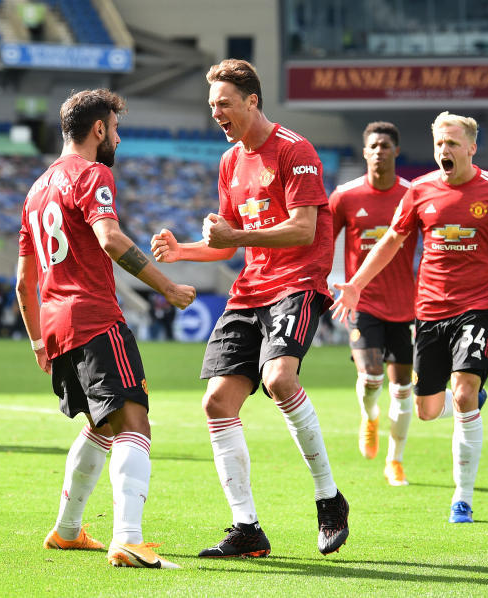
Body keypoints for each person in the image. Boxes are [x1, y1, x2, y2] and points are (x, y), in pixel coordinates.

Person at [151, 59, 349, 557]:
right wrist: (184, 252)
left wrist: (234, 236)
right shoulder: (229, 161)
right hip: (251, 289)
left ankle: (329, 498)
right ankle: (247, 528)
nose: (216, 112)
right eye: (212, 105)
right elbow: (225, 243)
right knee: (216, 402)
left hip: (297, 284)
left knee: (281, 379)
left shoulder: (294, 149)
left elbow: (304, 229)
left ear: (252, 101)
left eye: (225, 104)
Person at [15, 88, 195, 569]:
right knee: (135, 421)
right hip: (94, 317)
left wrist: (38, 340)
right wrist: (169, 288)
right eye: (115, 128)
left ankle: (68, 530)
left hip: (55, 325)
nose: (118, 137)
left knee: (101, 424)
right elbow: (110, 238)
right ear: (98, 129)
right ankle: (129, 539)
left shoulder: (36, 189)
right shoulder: (93, 173)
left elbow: (22, 282)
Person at [333, 111, 488, 524]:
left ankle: (462, 499)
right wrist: (355, 283)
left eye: (453, 144)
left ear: (471, 147)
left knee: (461, 396)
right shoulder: (421, 190)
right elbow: (392, 240)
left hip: (478, 307)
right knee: (425, 409)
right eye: (439, 144)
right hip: (427, 311)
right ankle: (473, 398)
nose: (444, 151)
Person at [329, 121, 416, 486]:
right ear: (364, 152)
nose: (379, 151)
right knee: (371, 378)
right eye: (373, 146)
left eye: (385, 146)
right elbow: (321, 241)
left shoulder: (414, 194)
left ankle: (394, 460)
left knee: (402, 389)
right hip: (362, 303)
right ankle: (369, 417)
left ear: (396, 152)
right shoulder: (346, 196)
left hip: (407, 307)